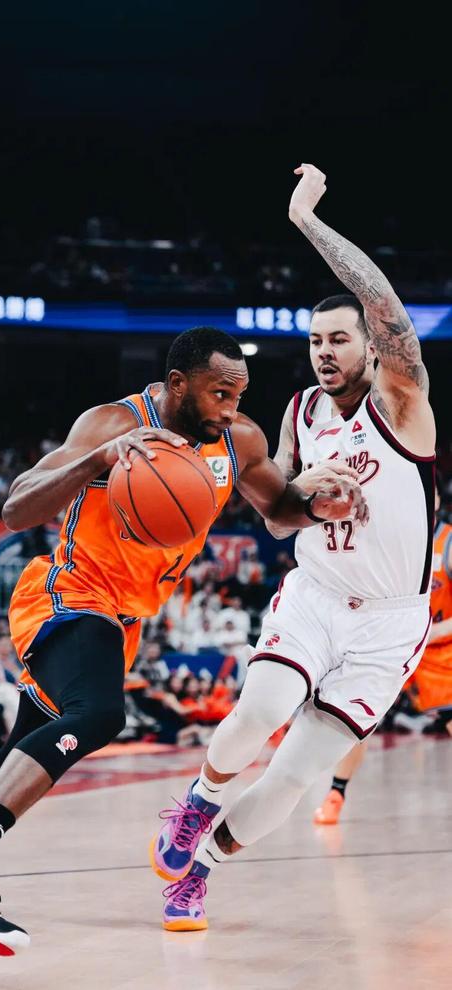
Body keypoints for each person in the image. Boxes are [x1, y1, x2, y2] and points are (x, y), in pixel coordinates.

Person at [0, 326, 364, 955]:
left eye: (238, 395)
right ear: (177, 384)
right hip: (69, 595)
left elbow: (277, 510)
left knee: (7, 771)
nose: (230, 408)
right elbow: (17, 509)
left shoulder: (237, 440)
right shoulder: (113, 424)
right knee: (100, 716)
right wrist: (98, 461)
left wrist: (314, 507)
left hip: (122, 621)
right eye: (219, 394)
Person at [150, 164, 436, 932]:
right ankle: (199, 802)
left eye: (340, 338)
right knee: (264, 706)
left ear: (371, 347)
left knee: (297, 772)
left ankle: (199, 872)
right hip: (316, 594)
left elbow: (387, 306)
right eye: (314, 341)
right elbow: (278, 520)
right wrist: (305, 493)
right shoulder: (301, 412)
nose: (324, 351)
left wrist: (307, 222)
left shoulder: (402, 402)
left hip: (390, 623)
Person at [313, 487, 452, 825]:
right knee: (356, 720)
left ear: (436, 499)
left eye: (428, 490)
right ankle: (335, 794)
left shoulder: (447, 541)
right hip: (390, 640)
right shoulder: (384, 535)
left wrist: (432, 631)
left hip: (437, 647)